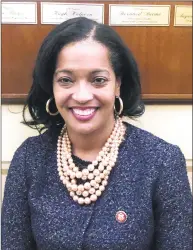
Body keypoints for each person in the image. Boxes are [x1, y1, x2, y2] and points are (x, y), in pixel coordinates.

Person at [1, 17, 192, 250]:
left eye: (98, 80)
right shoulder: (29, 158)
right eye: (66, 80)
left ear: (117, 84)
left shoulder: (162, 161)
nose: (82, 96)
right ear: (51, 85)